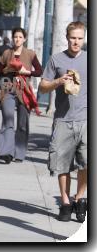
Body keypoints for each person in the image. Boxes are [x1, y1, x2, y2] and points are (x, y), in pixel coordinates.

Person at [39, 21, 87, 223]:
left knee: (87, 163)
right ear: (67, 38)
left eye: (79, 38)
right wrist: (58, 82)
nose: (76, 42)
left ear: (83, 39)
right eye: (72, 38)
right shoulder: (56, 60)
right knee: (62, 164)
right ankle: (66, 203)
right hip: (62, 121)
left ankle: (80, 199)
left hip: (86, 120)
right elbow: (42, 87)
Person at [0, 27, 42, 164]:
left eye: (20, 37)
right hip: (8, 90)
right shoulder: (6, 53)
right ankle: (6, 152)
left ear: (24, 39)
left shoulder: (30, 54)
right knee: (8, 120)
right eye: (15, 37)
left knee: (22, 124)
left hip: (24, 92)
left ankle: (19, 153)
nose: (17, 39)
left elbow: (39, 71)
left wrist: (26, 72)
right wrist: (7, 69)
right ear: (12, 38)